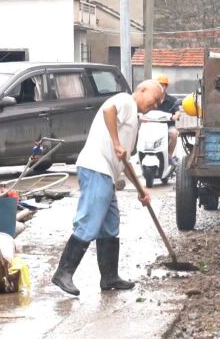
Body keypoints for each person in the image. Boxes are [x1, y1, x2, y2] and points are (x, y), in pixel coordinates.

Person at [52, 80, 164, 295]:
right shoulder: (125, 100)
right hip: (96, 167)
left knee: (110, 226)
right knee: (89, 221)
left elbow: (125, 161)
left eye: (160, 102)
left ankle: (109, 277)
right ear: (141, 90)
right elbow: (108, 110)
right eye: (155, 99)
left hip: (108, 174)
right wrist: (116, 142)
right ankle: (63, 273)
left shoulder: (134, 120)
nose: (156, 104)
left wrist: (142, 191)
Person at [155, 74, 180, 163]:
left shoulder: (172, 100)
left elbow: (177, 112)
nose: (161, 87)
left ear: (166, 86)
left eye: (163, 85)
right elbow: (145, 110)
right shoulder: (152, 99)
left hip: (168, 127)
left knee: (174, 133)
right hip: (154, 126)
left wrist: (175, 116)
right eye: (159, 85)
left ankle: (168, 156)